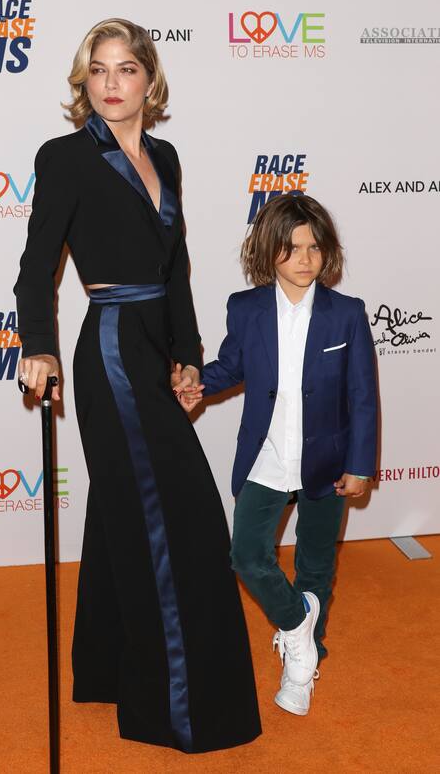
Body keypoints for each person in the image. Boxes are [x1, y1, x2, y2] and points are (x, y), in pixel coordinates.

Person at [13, 18, 260, 753]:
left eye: (126, 70)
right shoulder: (65, 157)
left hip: (154, 344)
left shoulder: (166, 155)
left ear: (149, 80)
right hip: (112, 348)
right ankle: (177, 706)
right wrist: (36, 346)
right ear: (82, 82)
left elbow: (174, 267)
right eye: (99, 71)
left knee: (126, 500)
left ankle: (105, 667)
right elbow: (36, 266)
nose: (113, 84)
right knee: (176, 514)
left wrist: (187, 355)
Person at [174, 193, 378, 717]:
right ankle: (297, 627)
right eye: (291, 248)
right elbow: (231, 366)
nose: (305, 258)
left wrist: (360, 465)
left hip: (328, 463)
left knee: (315, 566)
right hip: (265, 457)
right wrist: (198, 383)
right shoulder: (246, 309)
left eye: (314, 247)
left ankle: (302, 667)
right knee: (246, 555)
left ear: (326, 252)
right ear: (269, 253)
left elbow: (362, 395)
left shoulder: (346, 314)